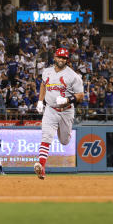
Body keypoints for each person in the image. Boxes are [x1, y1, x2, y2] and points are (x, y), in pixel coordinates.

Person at [34, 48, 84, 180]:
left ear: (67, 60)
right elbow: (43, 85)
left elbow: (80, 95)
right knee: (46, 137)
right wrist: (40, 101)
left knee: (65, 141)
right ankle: (42, 167)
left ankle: (59, 129)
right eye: (59, 57)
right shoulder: (47, 71)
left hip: (66, 111)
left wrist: (68, 99)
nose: (61, 60)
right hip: (50, 109)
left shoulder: (73, 75)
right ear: (54, 57)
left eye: (64, 58)